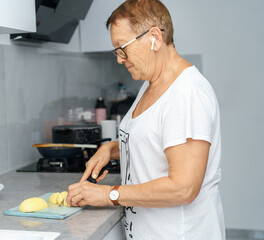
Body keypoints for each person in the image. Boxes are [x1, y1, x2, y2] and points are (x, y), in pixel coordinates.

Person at [66, 0, 225, 239]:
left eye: (123, 48)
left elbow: (184, 188)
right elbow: (153, 141)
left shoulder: (187, 93)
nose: (119, 59)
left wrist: (109, 194)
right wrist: (110, 149)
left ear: (154, 38)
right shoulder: (151, 84)